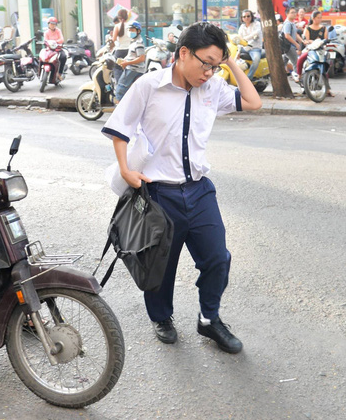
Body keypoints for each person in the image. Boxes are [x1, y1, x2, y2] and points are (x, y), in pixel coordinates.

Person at [101, 22, 261, 352]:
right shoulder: (148, 86)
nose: (209, 72)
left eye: (215, 65)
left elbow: (253, 101)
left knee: (217, 258)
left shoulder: (214, 88)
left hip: (200, 190)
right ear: (183, 53)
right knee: (160, 264)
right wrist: (126, 169)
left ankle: (209, 320)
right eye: (206, 63)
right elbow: (119, 129)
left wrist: (229, 64)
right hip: (160, 194)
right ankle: (161, 317)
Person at [294, 11, 334, 96]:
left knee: (325, 67)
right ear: (313, 18)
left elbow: (326, 39)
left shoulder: (324, 28)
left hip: (321, 50)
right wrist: (311, 42)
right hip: (311, 49)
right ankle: (299, 75)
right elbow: (306, 40)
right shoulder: (308, 28)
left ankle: (327, 89)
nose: (319, 19)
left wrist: (322, 42)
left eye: (320, 17)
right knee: (301, 58)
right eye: (318, 17)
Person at [114, 21, 146, 102]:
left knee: (120, 88)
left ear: (138, 31)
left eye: (132, 30)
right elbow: (133, 56)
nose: (130, 32)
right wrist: (125, 60)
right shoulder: (133, 41)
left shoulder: (139, 43)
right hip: (131, 67)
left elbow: (142, 58)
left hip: (134, 69)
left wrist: (127, 63)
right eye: (129, 30)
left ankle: (120, 109)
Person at [237, 9, 263, 81]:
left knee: (256, 59)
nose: (246, 18)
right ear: (242, 18)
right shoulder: (242, 27)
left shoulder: (257, 24)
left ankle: (248, 79)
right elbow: (239, 40)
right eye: (244, 16)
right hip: (244, 48)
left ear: (251, 16)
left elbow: (255, 33)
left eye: (248, 16)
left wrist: (244, 39)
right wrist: (238, 51)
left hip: (254, 48)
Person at [44, 17, 68, 81]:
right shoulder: (46, 32)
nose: (53, 25)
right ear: (48, 24)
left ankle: (60, 73)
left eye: (54, 24)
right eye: (51, 24)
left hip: (58, 49)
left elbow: (61, 39)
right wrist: (52, 42)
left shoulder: (58, 31)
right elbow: (46, 41)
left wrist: (54, 42)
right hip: (50, 50)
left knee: (63, 57)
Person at [282, 7, 303, 79]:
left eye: (295, 12)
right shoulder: (287, 23)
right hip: (289, 47)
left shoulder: (292, 23)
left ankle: (280, 77)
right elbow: (287, 36)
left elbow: (295, 34)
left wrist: (302, 42)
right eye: (292, 12)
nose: (294, 14)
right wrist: (296, 44)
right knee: (296, 63)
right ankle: (298, 79)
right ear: (287, 14)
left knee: (283, 63)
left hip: (289, 46)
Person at [112, 9, 131, 86]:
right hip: (129, 50)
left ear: (118, 17)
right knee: (129, 68)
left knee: (116, 67)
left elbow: (114, 39)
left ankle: (119, 85)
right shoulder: (130, 25)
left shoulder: (117, 26)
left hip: (120, 51)